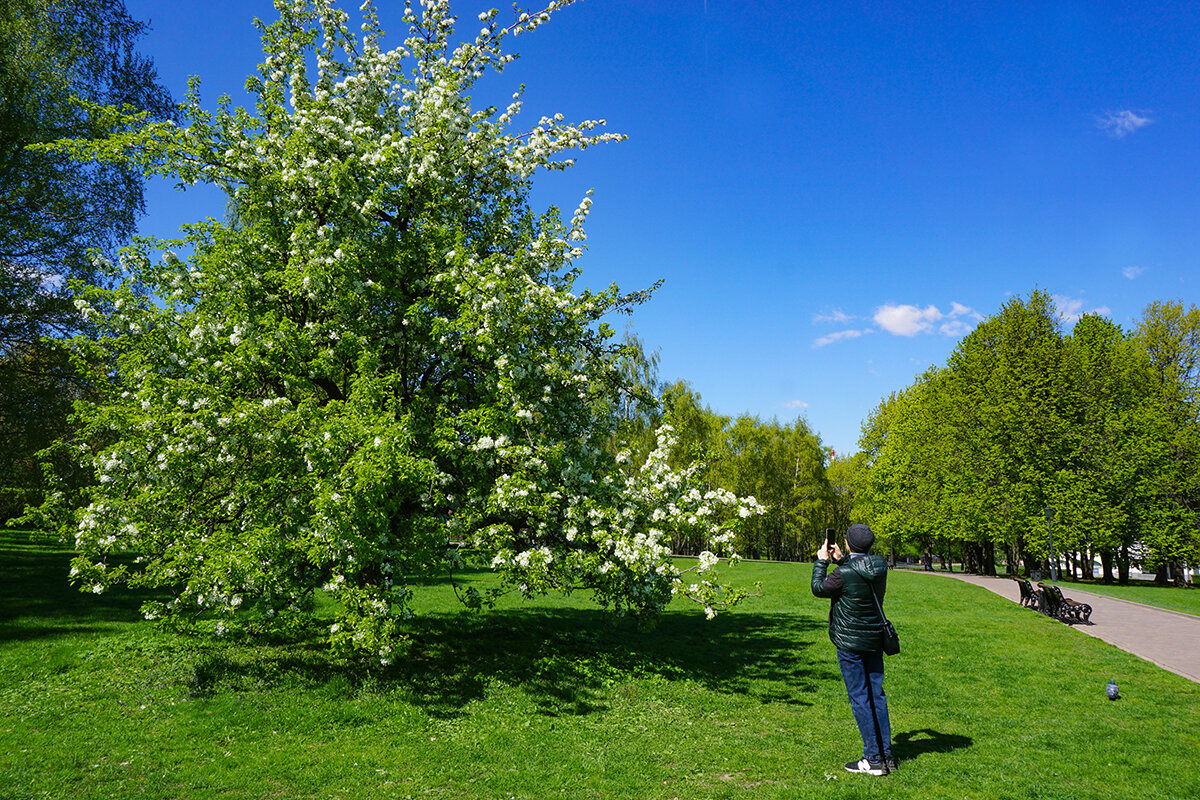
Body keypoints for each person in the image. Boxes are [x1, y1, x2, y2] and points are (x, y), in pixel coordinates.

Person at [811, 523, 896, 776]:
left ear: (848, 544)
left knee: (860, 697)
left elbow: (819, 588)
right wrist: (843, 560)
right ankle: (886, 755)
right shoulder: (879, 567)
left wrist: (822, 561)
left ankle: (872, 759)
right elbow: (859, 571)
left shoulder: (844, 573)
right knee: (876, 696)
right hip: (874, 640)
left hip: (850, 642)